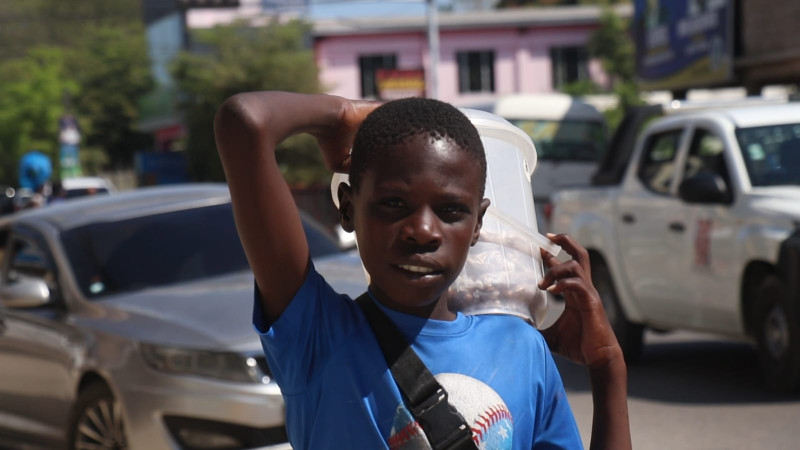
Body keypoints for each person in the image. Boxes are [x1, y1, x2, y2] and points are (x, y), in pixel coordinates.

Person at [214, 91, 631, 450]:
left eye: (451, 211)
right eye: (394, 204)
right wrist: (345, 115)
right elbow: (245, 121)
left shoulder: (520, 347)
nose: (423, 231)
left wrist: (608, 367)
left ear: (478, 225)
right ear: (347, 206)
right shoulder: (317, 335)